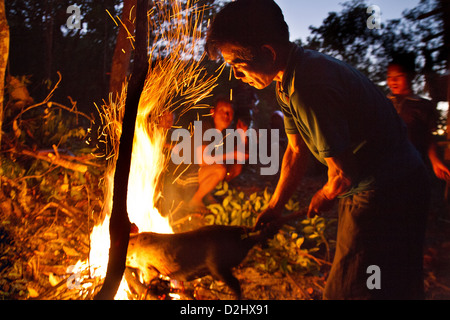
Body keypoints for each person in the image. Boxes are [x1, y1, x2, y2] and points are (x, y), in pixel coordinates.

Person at [205, 0, 430, 300]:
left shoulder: (308, 86)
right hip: (380, 182)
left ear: (269, 53)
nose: (236, 75)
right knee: (385, 282)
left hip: (390, 190)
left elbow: (342, 175)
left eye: (237, 64)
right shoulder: (287, 81)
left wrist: (324, 194)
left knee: (351, 290)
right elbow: (296, 151)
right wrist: (275, 207)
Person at [387, 55, 450, 182]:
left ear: (412, 76)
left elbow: (428, 137)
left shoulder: (423, 105)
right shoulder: (383, 102)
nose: (393, 81)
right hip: (385, 165)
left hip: (412, 165)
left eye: (399, 76)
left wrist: (435, 161)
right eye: (389, 77)